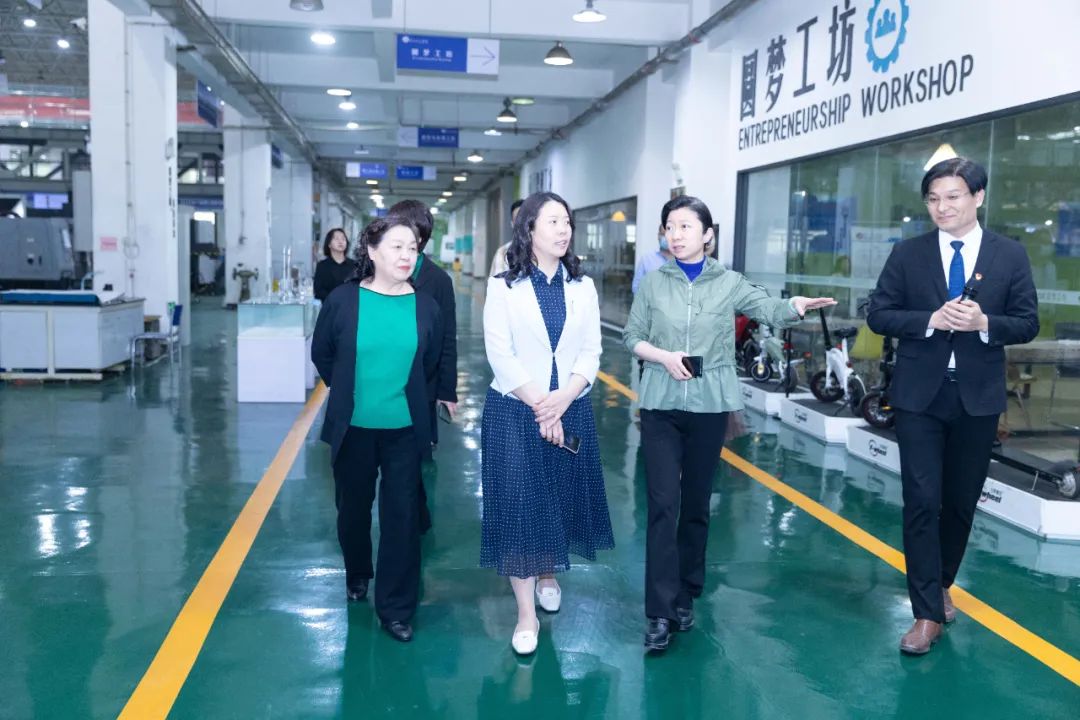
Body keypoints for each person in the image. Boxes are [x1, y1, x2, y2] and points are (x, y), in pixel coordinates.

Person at [624, 195, 836, 653]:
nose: (675, 235)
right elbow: (632, 336)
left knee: (696, 504)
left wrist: (796, 305)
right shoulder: (654, 283)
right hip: (661, 404)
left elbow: (767, 309)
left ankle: (686, 592)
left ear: (707, 235)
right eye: (669, 227)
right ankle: (659, 611)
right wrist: (663, 357)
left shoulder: (729, 282)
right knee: (662, 504)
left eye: (685, 227)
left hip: (709, 406)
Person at [866, 157, 1038, 655]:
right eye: (933, 199)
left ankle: (941, 583)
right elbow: (879, 314)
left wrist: (984, 323)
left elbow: (1026, 322)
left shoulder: (1009, 255)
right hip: (920, 397)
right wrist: (930, 320)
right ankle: (925, 613)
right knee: (922, 500)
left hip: (977, 398)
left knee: (960, 502)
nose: (942, 207)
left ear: (978, 196)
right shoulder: (908, 253)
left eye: (953, 196)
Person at [481, 191, 614, 656]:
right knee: (520, 504)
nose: (563, 230)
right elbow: (500, 353)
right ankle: (525, 615)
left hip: (570, 405)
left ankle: (548, 572)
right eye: (553, 221)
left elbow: (592, 351)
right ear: (529, 229)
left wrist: (564, 398)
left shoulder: (583, 286)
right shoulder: (503, 286)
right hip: (516, 410)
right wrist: (543, 405)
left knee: (556, 496)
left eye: (567, 222)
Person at [311, 217, 443, 643]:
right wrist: (347, 390)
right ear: (371, 251)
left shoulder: (426, 306)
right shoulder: (344, 300)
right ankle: (357, 571)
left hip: (404, 428)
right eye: (397, 247)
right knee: (352, 509)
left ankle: (396, 608)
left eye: (413, 248)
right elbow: (322, 352)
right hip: (354, 426)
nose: (407, 256)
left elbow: (430, 362)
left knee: (402, 517)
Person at [313, 227, 354, 301]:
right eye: (336, 239)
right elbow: (318, 291)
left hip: (350, 305)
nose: (340, 241)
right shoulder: (322, 266)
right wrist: (335, 299)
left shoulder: (354, 265)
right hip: (330, 306)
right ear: (329, 244)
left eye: (343, 239)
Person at [488, 199, 524, 277]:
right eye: (517, 219)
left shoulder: (543, 252)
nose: (521, 223)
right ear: (512, 224)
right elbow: (497, 282)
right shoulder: (502, 253)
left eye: (525, 218)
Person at [631, 229, 673, 294]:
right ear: (658, 236)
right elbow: (636, 287)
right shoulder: (646, 260)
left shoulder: (684, 261)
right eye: (663, 234)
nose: (666, 238)